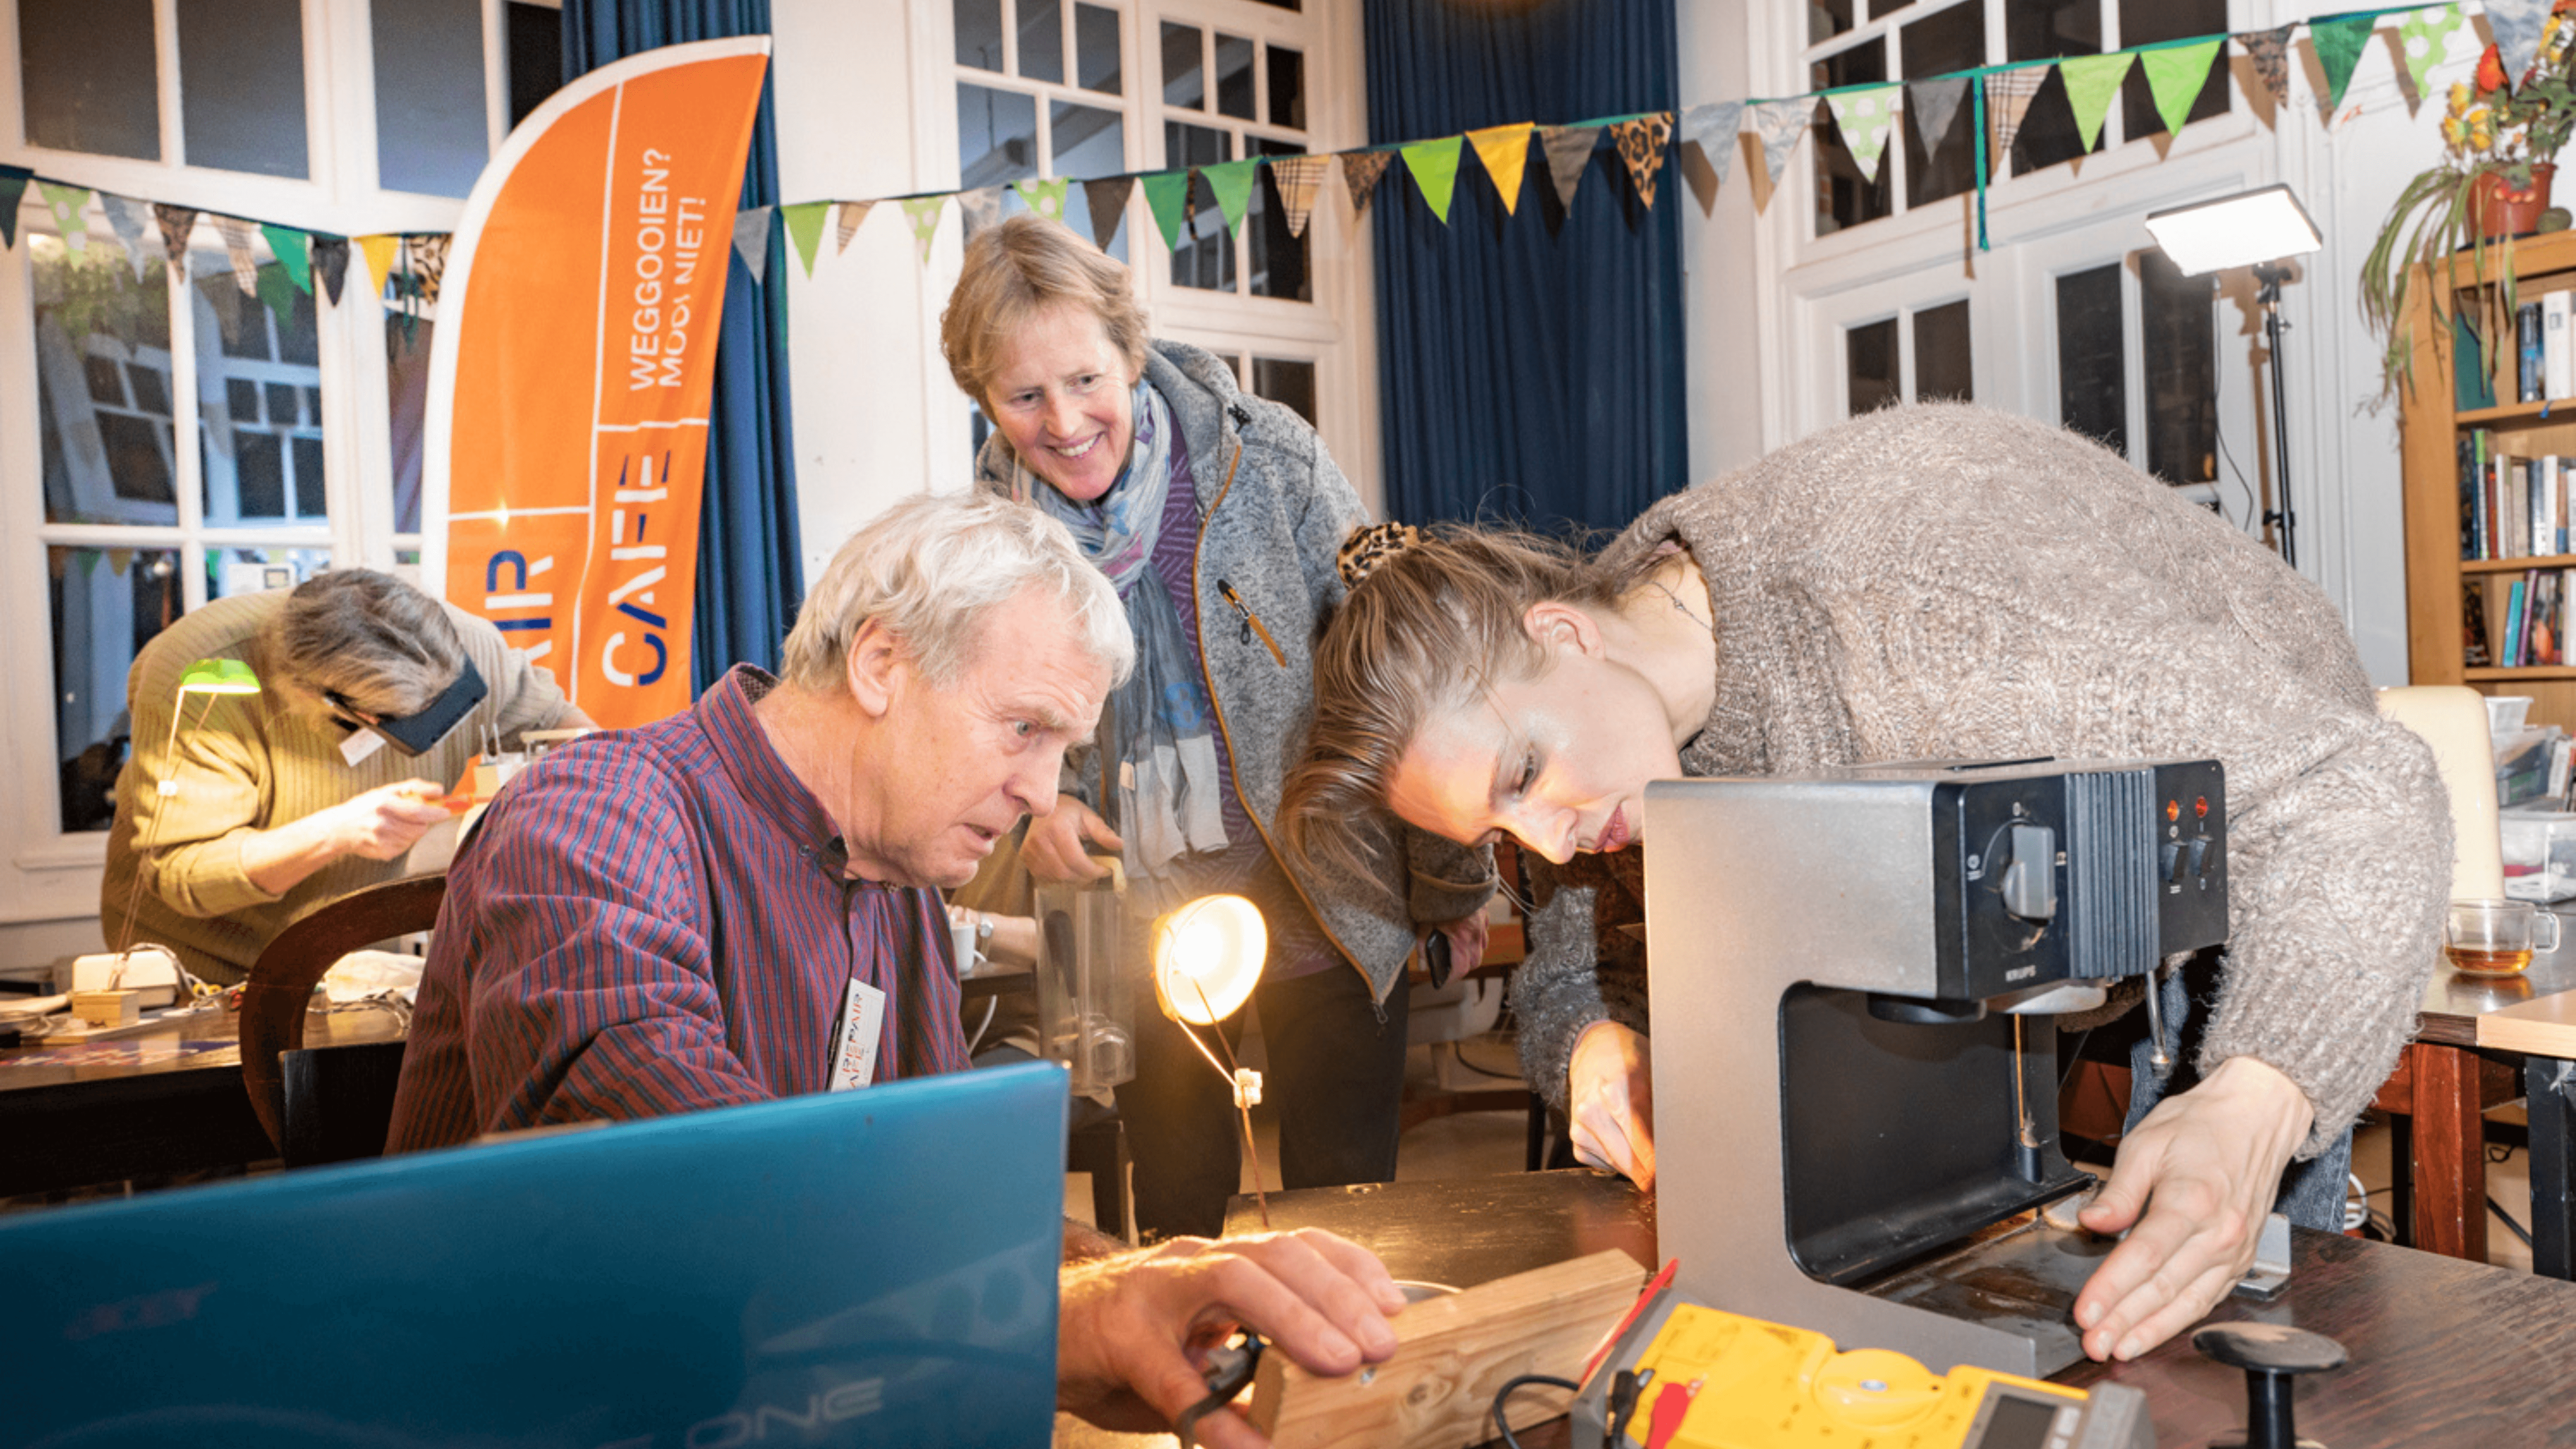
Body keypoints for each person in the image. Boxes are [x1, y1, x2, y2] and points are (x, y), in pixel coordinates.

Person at [1281, 403, 2451, 1364]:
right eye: (1498, 826)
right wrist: (1595, 1042)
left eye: (1522, 776)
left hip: (2273, 860)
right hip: (2037, 927)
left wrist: (2257, 1096)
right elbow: (1570, 961)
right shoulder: (1610, 720)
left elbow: (2363, 790)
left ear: (1565, 634)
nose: (1541, 840)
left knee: (2230, 1323)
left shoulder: (1924, 610)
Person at [385, 494, 1405, 1447]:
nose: (1042, 794)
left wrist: (1133, 1275)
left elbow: (927, 1201)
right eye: (1024, 729)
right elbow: (679, 1171)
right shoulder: (595, 810)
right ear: (880, 662)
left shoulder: (896, 878)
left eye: (1064, 748)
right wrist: (1053, 1316)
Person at [937, 215, 1492, 1239]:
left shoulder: (1270, 460)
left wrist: (1449, 880)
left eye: (1085, 380)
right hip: (1145, 936)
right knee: (1182, 1221)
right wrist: (1042, 810)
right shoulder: (983, 545)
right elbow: (983, 722)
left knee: (1348, 1218)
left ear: (1131, 353)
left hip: (1328, 902)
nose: (1063, 422)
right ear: (984, 400)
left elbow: (1399, 669)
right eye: (1024, 397)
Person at [100, 568, 589, 987]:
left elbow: (579, 743)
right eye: (404, 720)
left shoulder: (468, 647)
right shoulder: (203, 677)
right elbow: (186, 875)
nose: (433, 728)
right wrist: (337, 832)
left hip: (349, 956)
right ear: (318, 699)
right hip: (207, 965)